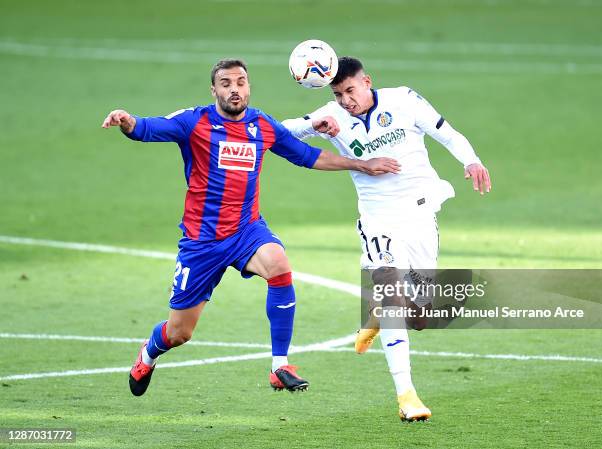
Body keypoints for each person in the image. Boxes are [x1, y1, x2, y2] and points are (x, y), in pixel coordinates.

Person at [101, 59, 400, 397]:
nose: (234, 89)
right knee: (179, 332)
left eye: (241, 82)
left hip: (246, 231)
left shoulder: (262, 125)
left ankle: (279, 365)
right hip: (202, 241)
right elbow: (147, 129)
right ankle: (148, 353)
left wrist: (361, 164)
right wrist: (127, 121)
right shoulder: (194, 121)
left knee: (279, 265)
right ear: (214, 90)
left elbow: (306, 155)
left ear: (248, 87)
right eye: (226, 83)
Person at [282, 56, 491, 421]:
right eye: (338, 93)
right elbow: (279, 131)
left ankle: (377, 313)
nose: (346, 100)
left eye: (350, 90)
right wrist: (313, 123)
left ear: (367, 82)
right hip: (378, 220)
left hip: (421, 214)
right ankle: (406, 395)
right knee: (393, 293)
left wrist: (470, 160)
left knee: (420, 317)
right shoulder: (332, 115)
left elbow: (446, 131)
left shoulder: (403, 99)